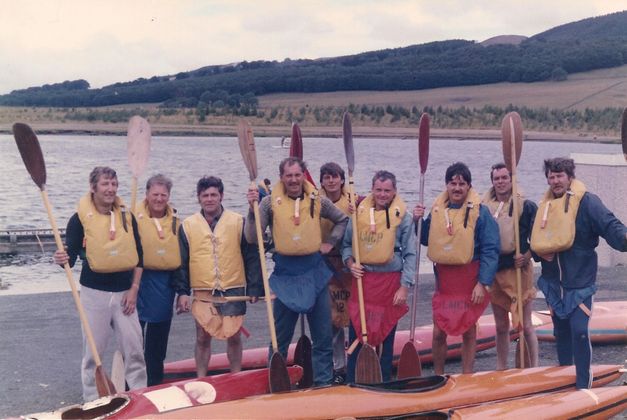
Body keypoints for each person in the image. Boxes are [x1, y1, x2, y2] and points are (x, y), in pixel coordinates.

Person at [246, 157, 348, 386]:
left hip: (316, 274)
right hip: (286, 276)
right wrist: (251, 211)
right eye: (288, 175)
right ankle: (276, 386)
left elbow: (342, 220)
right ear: (282, 177)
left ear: (303, 175)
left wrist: (330, 243)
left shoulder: (318, 200)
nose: (293, 180)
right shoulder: (268, 203)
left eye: (297, 175)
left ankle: (323, 386)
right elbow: (252, 237)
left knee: (322, 339)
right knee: (278, 341)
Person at [530, 157, 627, 389]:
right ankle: (566, 380)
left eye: (560, 176)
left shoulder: (587, 202)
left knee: (580, 332)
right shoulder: (545, 208)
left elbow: (609, 224)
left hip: (580, 281)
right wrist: (536, 254)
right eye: (551, 177)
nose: (555, 181)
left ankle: (583, 384)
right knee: (561, 334)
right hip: (554, 283)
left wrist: (624, 238)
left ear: (570, 177)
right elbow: (536, 242)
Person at [53, 166, 146, 401]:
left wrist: (134, 290)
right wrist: (61, 258)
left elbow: (140, 257)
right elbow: (70, 256)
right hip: (94, 294)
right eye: (105, 184)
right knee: (93, 355)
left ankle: (140, 397)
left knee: (134, 350)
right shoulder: (79, 220)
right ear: (93, 188)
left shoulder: (127, 216)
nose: (110, 189)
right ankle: (92, 402)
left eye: (114, 184)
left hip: (125, 292)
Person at [413, 162, 499, 374]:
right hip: (445, 282)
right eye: (453, 183)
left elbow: (491, 249)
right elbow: (424, 239)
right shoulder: (438, 211)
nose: (457, 188)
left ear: (469, 186)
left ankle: (467, 376)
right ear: (447, 186)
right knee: (438, 332)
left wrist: (483, 283)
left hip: (470, 281)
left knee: (468, 331)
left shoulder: (481, 212)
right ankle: (439, 375)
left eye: (462, 184)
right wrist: (417, 220)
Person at [173, 176, 263, 377]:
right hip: (203, 290)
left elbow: (251, 256)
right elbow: (182, 263)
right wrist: (182, 292)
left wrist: (255, 287)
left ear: (221, 196)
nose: (210, 199)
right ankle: (201, 378)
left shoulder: (238, 221)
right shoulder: (187, 225)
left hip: (233, 287)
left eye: (214, 194)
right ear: (199, 198)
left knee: (233, 336)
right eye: (205, 195)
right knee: (202, 337)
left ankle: (237, 376)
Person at [341, 170, 416, 382]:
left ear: (394, 192)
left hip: (390, 285)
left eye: (387, 191)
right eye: (379, 190)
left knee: (385, 338)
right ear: (372, 190)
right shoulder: (358, 213)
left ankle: (383, 386)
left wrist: (404, 286)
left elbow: (410, 254)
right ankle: (352, 384)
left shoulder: (404, 219)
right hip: (363, 283)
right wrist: (350, 263)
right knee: (357, 336)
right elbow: (347, 245)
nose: (382, 194)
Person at [482, 163, 538, 369]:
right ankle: (501, 367)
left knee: (526, 326)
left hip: (519, 271)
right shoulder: (484, 208)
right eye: (497, 178)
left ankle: (533, 367)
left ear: (511, 180)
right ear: (492, 181)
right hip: (496, 271)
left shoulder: (527, 206)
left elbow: (540, 238)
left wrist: (527, 255)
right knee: (501, 326)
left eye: (504, 178)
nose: (501, 182)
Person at [135, 174, 182, 386]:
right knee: (133, 342)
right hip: (135, 285)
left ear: (169, 196)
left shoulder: (176, 224)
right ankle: (131, 387)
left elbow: (183, 260)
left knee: (156, 346)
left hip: (163, 287)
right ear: (146, 194)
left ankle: (154, 383)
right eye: (155, 194)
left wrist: (183, 291)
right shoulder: (132, 219)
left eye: (164, 195)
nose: (159, 198)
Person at [319, 162, 353, 384]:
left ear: (342, 179)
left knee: (348, 315)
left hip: (346, 264)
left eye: (335, 177)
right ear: (321, 181)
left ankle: (354, 361)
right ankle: (336, 365)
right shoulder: (314, 202)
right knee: (329, 319)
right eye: (326, 177)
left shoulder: (353, 202)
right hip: (322, 264)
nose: (331, 181)